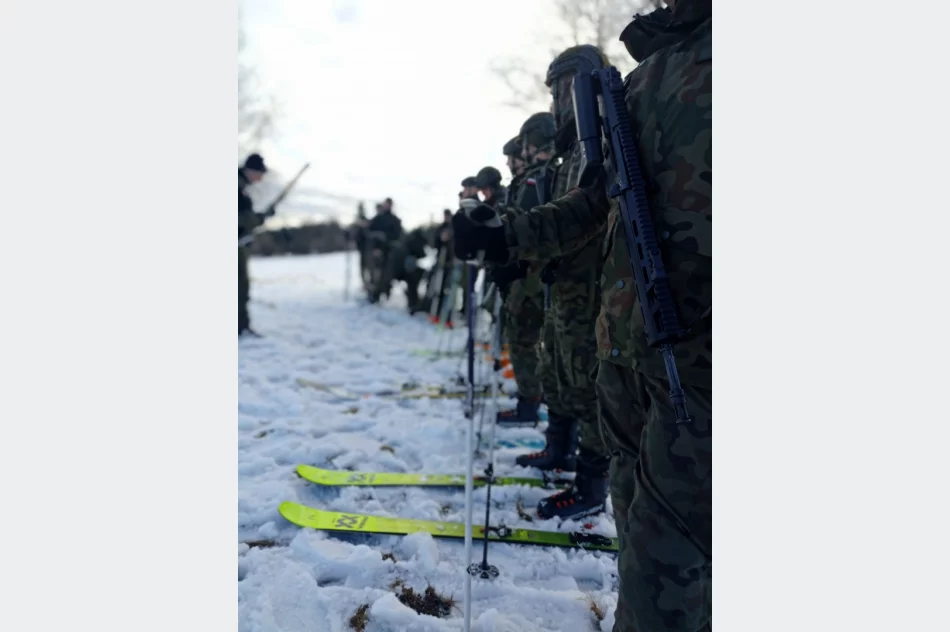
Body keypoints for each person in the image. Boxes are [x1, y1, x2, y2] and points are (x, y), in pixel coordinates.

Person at [451, 2, 712, 629]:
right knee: (641, 541)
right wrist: (504, 235)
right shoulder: (648, 74)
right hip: (626, 351)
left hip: (700, 363)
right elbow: (594, 202)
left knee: (665, 564)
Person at [493, 113, 558, 425]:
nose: (512, 163)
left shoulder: (540, 178)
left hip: (532, 277)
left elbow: (532, 226)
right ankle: (531, 397)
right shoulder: (533, 177)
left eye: (516, 154)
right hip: (526, 274)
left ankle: (531, 401)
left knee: (523, 339)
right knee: (525, 339)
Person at [238, 153, 275, 337]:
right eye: (260, 173)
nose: (261, 178)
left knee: (241, 287)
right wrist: (260, 217)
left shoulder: (242, 188)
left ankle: (241, 326)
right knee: (239, 287)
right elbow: (241, 218)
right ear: (250, 170)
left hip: (240, 244)